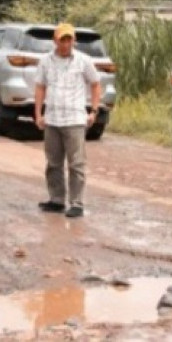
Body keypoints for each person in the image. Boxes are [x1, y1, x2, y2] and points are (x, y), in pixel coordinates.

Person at [34, 23, 102, 218]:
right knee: (53, 163)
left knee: (76, 164)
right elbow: (40, 87)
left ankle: (77, 203)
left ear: (74, 41)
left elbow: (96, 85)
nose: (65, 44)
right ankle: (56, 200)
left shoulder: (84, 61)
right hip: (53, 119)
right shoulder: (45, 61)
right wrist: (38, 114)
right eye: (62, 39)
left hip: (74, 119)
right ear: (55, 41)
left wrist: (94, 111)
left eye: (69, 39)